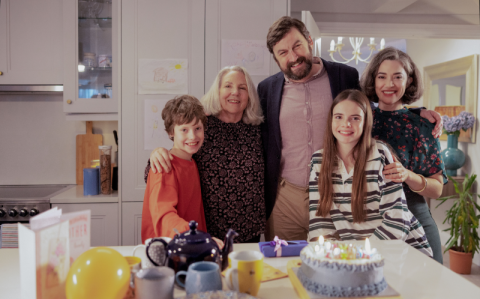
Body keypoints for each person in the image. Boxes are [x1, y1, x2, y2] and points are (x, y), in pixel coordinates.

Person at [258, 16, 443, 241]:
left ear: (309, 41)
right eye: (283, 52)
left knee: (339, 262)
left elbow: (366, 108)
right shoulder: (267, 89)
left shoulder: (344, 75)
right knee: (286, 265)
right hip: (286, 197)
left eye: (297, 45)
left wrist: (416, 113)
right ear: (276, 58)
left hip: (339, 196)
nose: (293, 56)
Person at [146, 66, 265, 243]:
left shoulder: (257, 129)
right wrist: (157, 153)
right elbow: (171, 163)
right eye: (228, 86)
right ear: (217, 91)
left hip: (249, 229)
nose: (235, 92)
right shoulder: (202, 125)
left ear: (249, 95)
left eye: (242, 88)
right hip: (206, 232)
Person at [308, 89, 433, 258]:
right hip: (355, 255)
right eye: (339, 117)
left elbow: (397, 220)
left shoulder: (380, 155)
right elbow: (320, 221)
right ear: (331, 120)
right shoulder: (318, 161)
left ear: (366, 122)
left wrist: (361, 256)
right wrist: (331, 257)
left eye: (355, 118)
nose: (346, 124)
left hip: (402, 251)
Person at [360, 47, 447, 264]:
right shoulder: (359, 120)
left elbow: (437, 189)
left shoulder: (422, 125)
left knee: (426, 293)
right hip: (367, 221)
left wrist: (406, 174)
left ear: (408, 81)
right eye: (382, 77)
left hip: (415, 217)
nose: (389, 84)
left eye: (397, 77)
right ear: (373, 80)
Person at [141, 95, 208, 242]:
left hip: (191, 246)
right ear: (171, 132)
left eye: (197, 128)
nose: (193, 136)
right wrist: (193, 236)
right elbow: (164, 216)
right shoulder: (164, 167)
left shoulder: (192, 161)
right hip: (167, 250)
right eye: (184, 130)